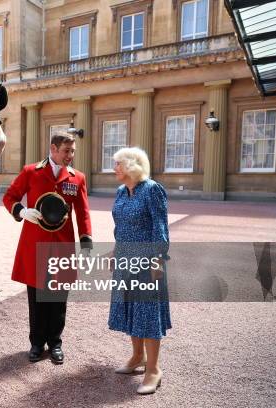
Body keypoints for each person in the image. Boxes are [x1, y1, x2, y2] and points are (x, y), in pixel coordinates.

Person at [3, 132, 92, 364]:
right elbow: (10, 196)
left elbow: (82, 212)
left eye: (73, 151)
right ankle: (36, 343)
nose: (70, 156)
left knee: (58, 297)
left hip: (62, 244)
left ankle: (55, 343)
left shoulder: (77, 177)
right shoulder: (30, 171)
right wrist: (21, 211)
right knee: (36, 297)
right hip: (35, 243)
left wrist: (86, 239)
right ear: (53, 149)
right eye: (66, 151)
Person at [108, 147, 171, 395]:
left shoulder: (152, 190)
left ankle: (153, 370)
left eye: (118, 164)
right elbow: (120, 226)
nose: (114, 168)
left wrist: (158, 259)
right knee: (131, 309)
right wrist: (115, 251)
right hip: (125, 258)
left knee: (147, 313)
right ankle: (137, 358)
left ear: (132, 166)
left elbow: (160, 226)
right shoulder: (121, 191)